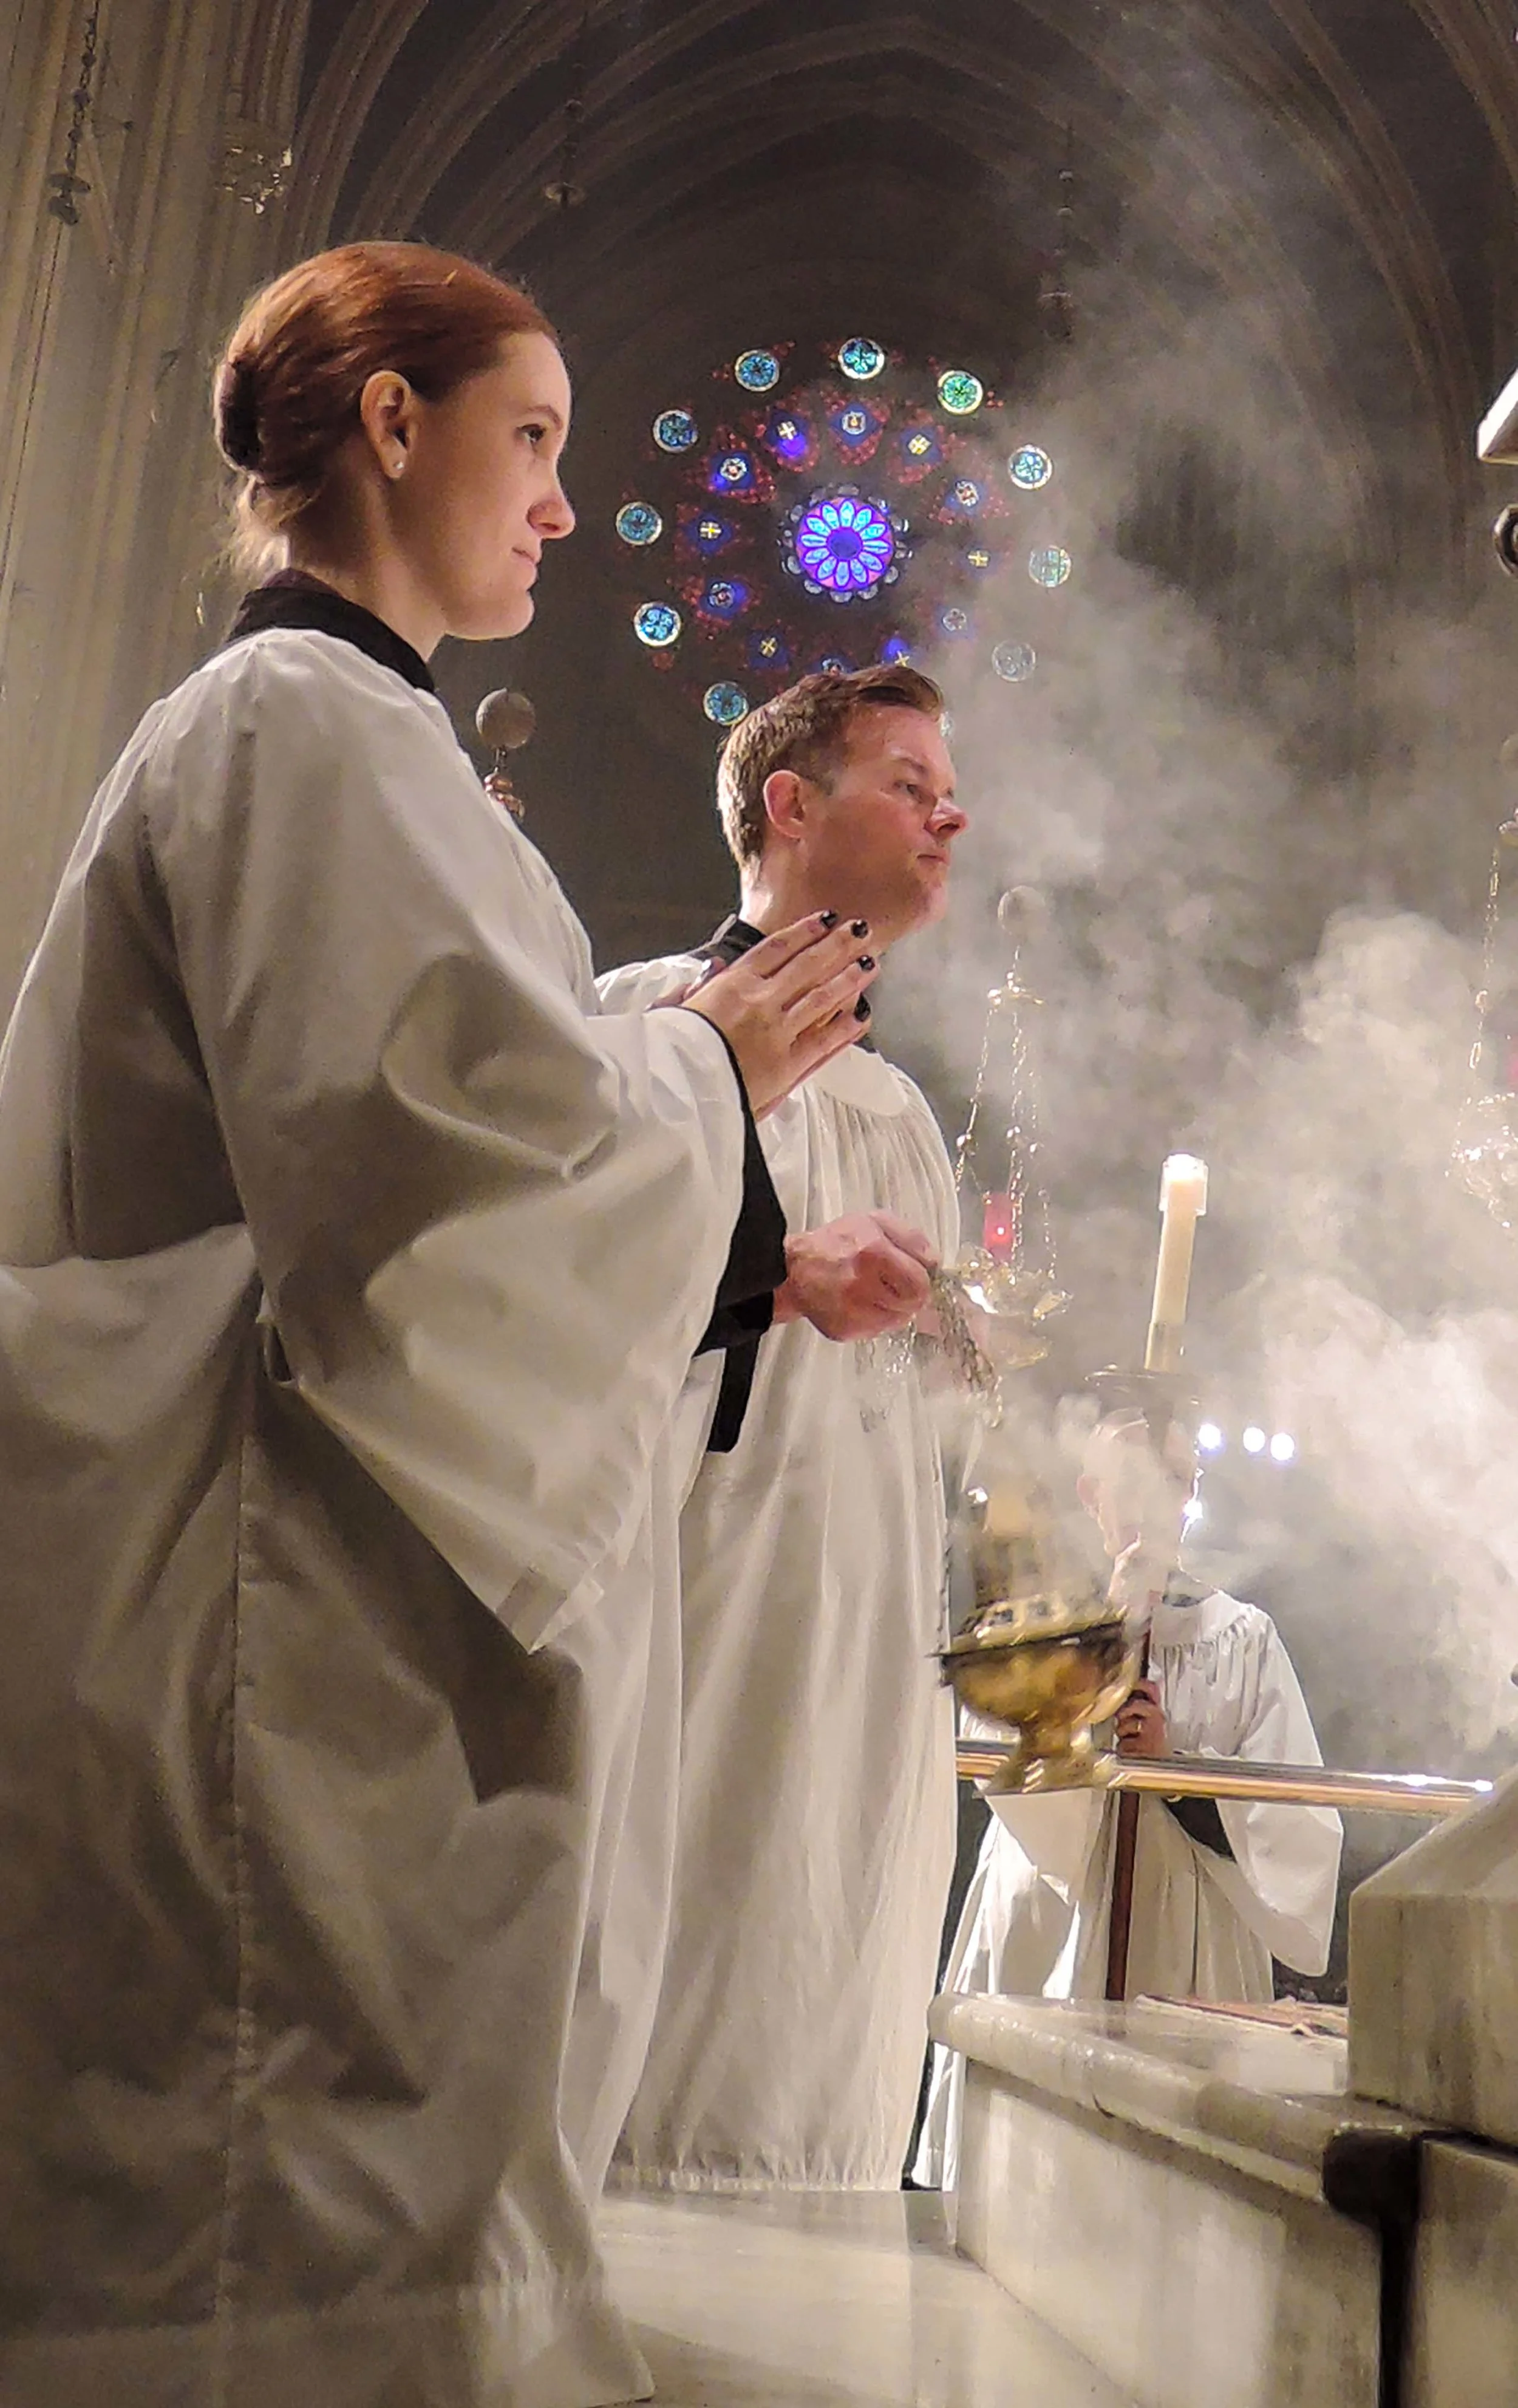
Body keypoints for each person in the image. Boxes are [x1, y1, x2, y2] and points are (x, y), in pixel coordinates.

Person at [0, 241, 879, 2407]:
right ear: (391, 425)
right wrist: (709, 1069)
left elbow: (468, 1139)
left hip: (306, 1611)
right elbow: (433, 1191)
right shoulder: (302, 725)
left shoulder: (344, 735)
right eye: (535, 437)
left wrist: (685, 1100)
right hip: (268, 1625)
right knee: (277, 2243)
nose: (562, 504)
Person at [597, 664, 970, 2191]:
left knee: (821, 2002)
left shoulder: (898, 1113)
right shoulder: (641, 1023)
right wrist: (765, 1269)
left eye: (951, 791)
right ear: (790, 806)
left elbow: (928, 1418)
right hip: (688, 1608)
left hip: (859, 1646)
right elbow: (546, 1284)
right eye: (908, 782)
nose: (948, 817)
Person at [913, 1411, 1344, 2191]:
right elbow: (994, 1755)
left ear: (1191, 1494)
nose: (1153, 1499)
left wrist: (1178, 1774)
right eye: (1131, 1479)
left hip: (1187, 1934)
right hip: (1050, 1921)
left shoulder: (1240, 1637)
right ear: (1091, 1494)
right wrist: (1088, 1677)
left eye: (1173, 1480)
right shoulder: (1038, 1620)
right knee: (1023, 2179)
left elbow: (1299, 1821)